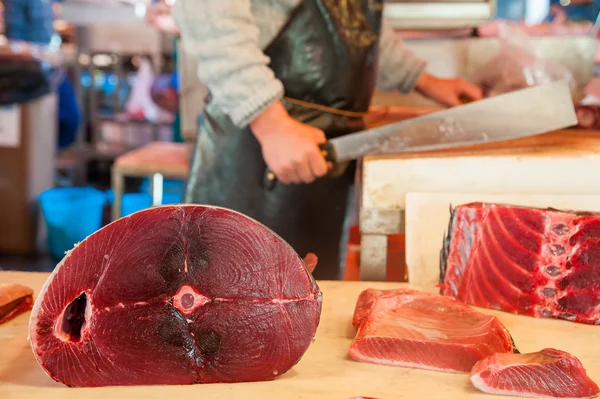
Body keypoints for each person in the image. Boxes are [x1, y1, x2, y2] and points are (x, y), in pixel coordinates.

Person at [172, 0, 482, 280]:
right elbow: (207, 12)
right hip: (254, 147)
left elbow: (356, 28)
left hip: (321, 155)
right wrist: (270, 121)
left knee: (302, 300)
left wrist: (423, 80)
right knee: (224, 296)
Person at [3, 0, 81, 150]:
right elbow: (14, 42)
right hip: (35, 71)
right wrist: (43, 56)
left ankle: (46, 163)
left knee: (69, 122)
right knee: (68, 119)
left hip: (50, 65)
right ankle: (42, 164)